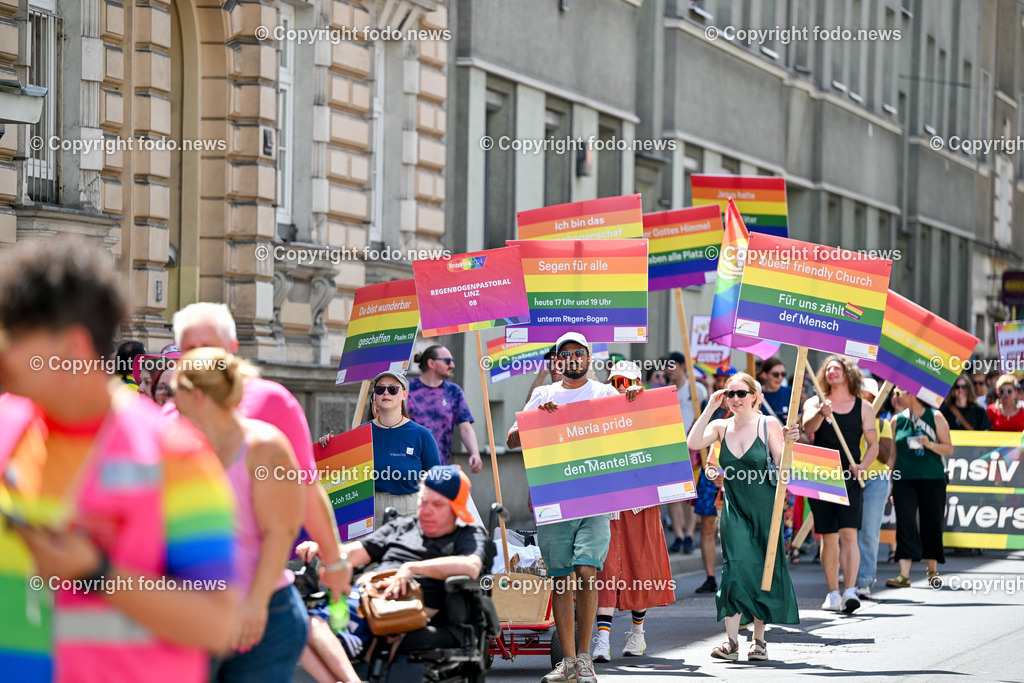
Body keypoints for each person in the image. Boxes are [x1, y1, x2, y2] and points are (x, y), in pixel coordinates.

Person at [0, 239, 238, 681]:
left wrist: (95, 573)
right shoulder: (6, 432)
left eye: (12, 336)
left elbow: (219, 623)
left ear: (71, 348)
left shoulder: (175, 457)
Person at [171, 303, 349, 604]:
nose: (199, 358)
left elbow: (305, 487)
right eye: (189, 348)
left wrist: (334, 561)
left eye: (208, 347)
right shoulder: (167, 414)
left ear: (232, 347)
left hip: (260, 589)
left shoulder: (272, 402)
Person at [506, 332, 642, 683]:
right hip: (554, 497)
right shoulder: (543, 394)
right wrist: (536, 417)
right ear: (557, 361)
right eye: (564, 354)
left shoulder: (605, 393)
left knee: (586, 570)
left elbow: (635, 423)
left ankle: (585, 659)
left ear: (589, 357)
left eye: (578, 352)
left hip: (595, 495)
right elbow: (512, 437)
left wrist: (634, 401)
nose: (572, 358)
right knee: (562, 578)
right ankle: (567, 662)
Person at [173, 348, 309, 681]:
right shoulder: (184, 446)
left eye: (175, 390)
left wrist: (256, 605)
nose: (169, 398)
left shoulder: (264, 446)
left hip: (264, 614)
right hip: (204, 611)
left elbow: (282, 531)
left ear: (198, 396)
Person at [296, 465, 490, 663]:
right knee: (303, 625)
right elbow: (353, 554)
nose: (426, 510)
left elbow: (471, 566)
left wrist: (410, 569)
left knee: (314, 631)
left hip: (405, 605)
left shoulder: (467, 535)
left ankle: (350, 643)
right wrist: (322, 548)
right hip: (367, 595)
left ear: (456, 509)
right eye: (423, 501)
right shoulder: (401, 527)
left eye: (437, 505)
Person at [687, 372, 800, 662]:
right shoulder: (721, 426)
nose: (734, 399)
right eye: (730, 393)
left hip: (765, 509)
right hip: (733, 508)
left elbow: (784, 469)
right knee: (734, 570)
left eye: (740, 393)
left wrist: (791, 445)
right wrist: (711, 406)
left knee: (762, 571)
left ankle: (759, 641)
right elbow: (694, 442)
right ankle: (731, 642)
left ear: (754, 396)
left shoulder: (768, 424)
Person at [591, 362, 674, 662]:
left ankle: (637, 634)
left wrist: (644, 404)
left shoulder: (649, 412)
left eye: (627, 381)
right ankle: (602, 639)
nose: (622, 387)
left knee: (641, 566)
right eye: (616, 381)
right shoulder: (598, 411)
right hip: (609, 503)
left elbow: (666, 446)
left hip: (641, 503)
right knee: (606, 570)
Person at [801, 356, 878, 613]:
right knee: (829, 535)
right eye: (829, 368)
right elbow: (807, 427)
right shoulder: (815, 402)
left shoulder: (863, 408)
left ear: (848, 373)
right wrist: (821, 414)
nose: (832, 371)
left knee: (849, 533)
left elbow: (873, 445)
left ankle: (850, 590)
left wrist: (862, 466)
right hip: (821, 473)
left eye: (838, 367)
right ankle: (833, 592)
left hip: (849, 477)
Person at [338, 371, 442, 528]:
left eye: (392, 389)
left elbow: (437, 480)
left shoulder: (422, 435)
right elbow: (342, 473)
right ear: (375, 396)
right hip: (369, 511)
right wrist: (328, 445)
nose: (385, 393)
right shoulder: (360, 434)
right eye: (380, 389)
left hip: (408, 511)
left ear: (404, 394)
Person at [885, 387, 953, 588]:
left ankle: (932, 570)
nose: (895, 397)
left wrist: (929, 444)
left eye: (899, 392)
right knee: (905, 523)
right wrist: (889, 483)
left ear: (913, 393)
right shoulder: (897, 420)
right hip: (904, 479)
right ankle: (903, 574)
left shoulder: (936, 416)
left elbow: (948, 448)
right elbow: (893, 455)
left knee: (931, 522)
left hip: (932, 478)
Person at [406, 345, 482, 473]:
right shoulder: (406, 389)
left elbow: (466, 428)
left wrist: (475, 454)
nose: (452, 365)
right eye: (447, 361)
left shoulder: (454, 391)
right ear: (432, 363)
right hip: (407, 468)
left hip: (439, 469)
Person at [664, 351, 708, 554]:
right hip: (672, 446)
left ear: (683, 365)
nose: (667, 370)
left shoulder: (696, 388)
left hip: (694, 447)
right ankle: (679, 535)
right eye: (665, 366)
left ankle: (690, 534)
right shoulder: (666, 390)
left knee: (691, 494)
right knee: (674, 494)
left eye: (671, 365)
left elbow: (706, 413)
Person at [854, 378, 894, 597]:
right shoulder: (845, 420)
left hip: (875, 478)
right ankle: (852, 575)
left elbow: (887, 457)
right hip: (850, 477)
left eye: (868, 398)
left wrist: (871, 435)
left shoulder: (882, 424)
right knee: (849, 531)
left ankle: (864, 580)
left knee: (868, 530)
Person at [759, 356, 792, 424]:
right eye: (775, 374)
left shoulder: (790, 392)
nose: (780, 378)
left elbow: (799, 416)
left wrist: (796, 419)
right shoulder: (756, 394)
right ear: (765, 375)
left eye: (783, 374)